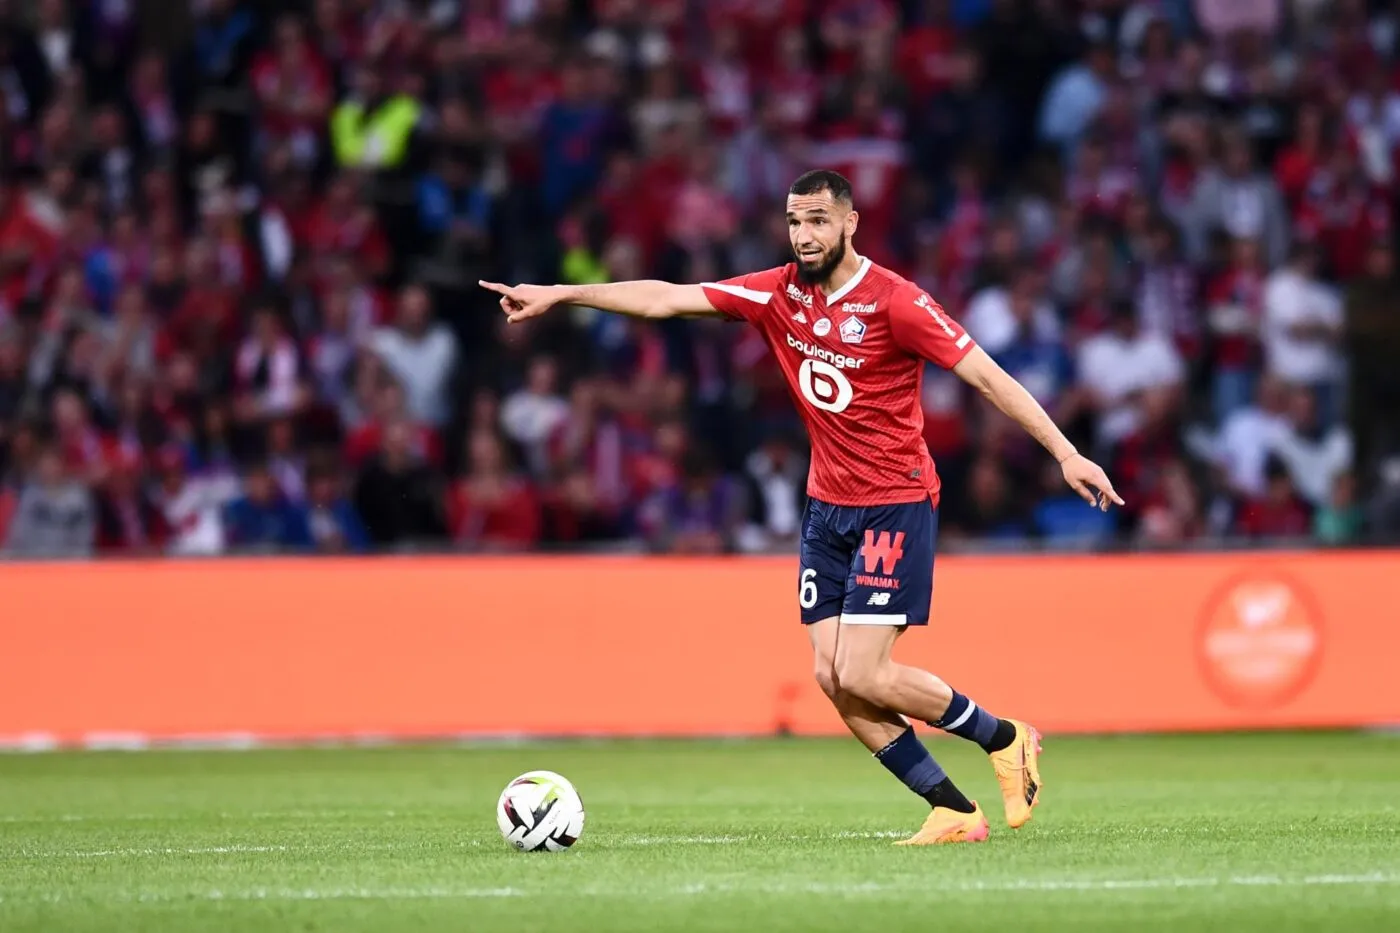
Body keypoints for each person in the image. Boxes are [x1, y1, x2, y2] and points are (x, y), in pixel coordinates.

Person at [479, 170, 1123, 846]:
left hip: (892, 501)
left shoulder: (896, 301)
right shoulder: (776, 292)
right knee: (831, 676)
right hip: (826, 507)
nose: (804, 235)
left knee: (866, 670)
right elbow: (666, 299)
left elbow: (987, 374)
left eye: (818, 220)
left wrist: (1065, 452)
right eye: (794, 221)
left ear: (849, 223)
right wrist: (563, 294)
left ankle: (1007, 736)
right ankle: (953, 810)